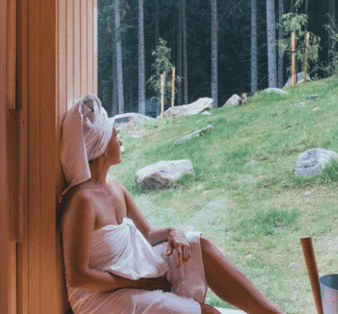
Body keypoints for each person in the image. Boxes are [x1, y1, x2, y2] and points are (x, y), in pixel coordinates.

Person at [60, 94, 284, 314]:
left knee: (198, 245)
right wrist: (139, 284)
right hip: (99, 297)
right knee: (209, 313)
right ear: (101, 147)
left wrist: (174, 231)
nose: (120, 140)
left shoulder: (115, 186)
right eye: (115, 135)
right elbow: (79, 277)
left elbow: (147, 233)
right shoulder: (82, 201)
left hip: (128, 270)